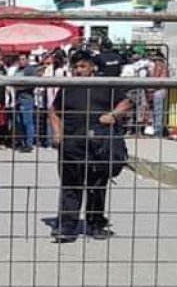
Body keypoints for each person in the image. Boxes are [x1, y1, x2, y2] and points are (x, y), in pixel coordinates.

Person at [48, 50, 132, 243]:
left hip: (98, 143)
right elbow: (53, 111)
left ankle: (96, 224)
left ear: (92, 67)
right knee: (70, 185)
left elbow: (126, 102)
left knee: (97, 185)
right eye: (75, 67)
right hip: (71, 143)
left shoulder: (104, 85)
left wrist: (112, 115)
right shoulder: (67, 87)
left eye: (82, 66)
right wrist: (57, 133)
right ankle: (68, 226)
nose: (78, 71)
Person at [12, 53, 38, 152]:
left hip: (26, 99)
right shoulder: (17, 70)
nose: (21, 61)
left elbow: (33, 84)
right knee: (20, 122)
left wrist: (20, 86)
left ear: (27, 60)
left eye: (23, 59)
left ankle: (29, 144)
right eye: (20, 59)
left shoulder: (30, 69)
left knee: (28, 122)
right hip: (18, 99)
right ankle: (23, 142)